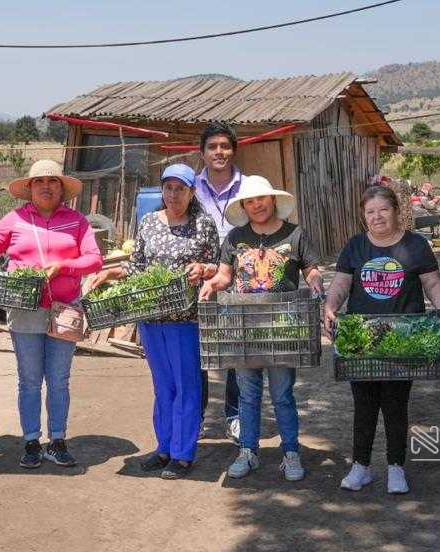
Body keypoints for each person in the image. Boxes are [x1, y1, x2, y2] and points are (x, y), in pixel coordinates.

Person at [0, 159, 102, 469]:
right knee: (29, 380)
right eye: (39, 181)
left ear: (61, 187)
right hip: (25, 310)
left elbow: (94, 260)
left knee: (59, 379)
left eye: (52, 181)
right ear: (29, 188)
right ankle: (30, 441)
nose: (45, 186)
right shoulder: (14, 220)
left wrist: (64, 266)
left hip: (65, 310)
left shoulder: (77, 221)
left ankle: (57, 440)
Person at [88, 163, 219, 479]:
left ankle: (183, 454)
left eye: (181, 189)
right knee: (163, 387)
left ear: (191, 193)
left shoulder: (203, 225)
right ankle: (164, 448)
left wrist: (203, 269)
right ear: (162, 190)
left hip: (185, 318)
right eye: (169, 188)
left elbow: (217, 264)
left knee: (187, 386)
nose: (174, 194)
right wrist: (110, 271)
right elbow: (137, 267)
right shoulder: (148, 222)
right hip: (151, 317)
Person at [322, 184, 440, 496]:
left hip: (404, 339)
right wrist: (330, 306)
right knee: (364, 404)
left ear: (396, 211)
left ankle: (396, 467)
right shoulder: (355, 246)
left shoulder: (416, 245)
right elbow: (341, 284)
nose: (377, 216)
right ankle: (361, 467)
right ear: (363, 216)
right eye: (370, 212)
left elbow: (432, 282)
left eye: (383, 209)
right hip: (362, 338)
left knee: (396, 404)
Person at [198, 175, 323, 482]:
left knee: (282, 395)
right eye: (250, 201)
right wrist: (211, 284)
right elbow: (226, 275)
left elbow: (312, 268)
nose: (256, 205)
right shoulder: (236, 237)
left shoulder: (294, 235)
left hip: (283, 330)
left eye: (261, 200)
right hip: (243, 329)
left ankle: (291, 453)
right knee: (247, 395)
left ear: (273, 201)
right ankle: (248, 452)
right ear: (244, 206)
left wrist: (316, 283)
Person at [193, 122, 247, 442]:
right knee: (198, 350)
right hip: (198, 276)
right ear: (202, 153)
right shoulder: (191, 187)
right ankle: (195, 416)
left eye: (224, 146)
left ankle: (234, 415)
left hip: (239, 276)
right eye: (212, 147)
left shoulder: (248, 187)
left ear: (234, 151)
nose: (219, 152)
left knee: (234, 348)